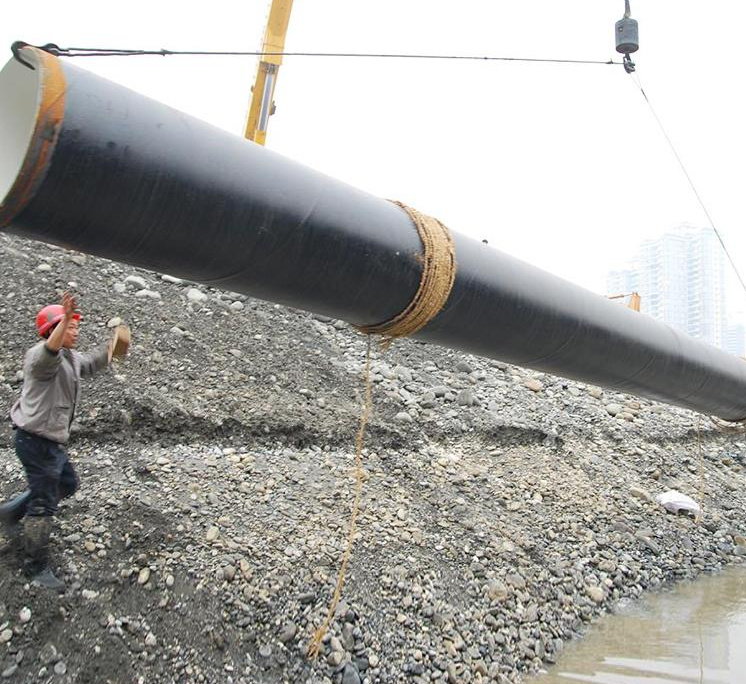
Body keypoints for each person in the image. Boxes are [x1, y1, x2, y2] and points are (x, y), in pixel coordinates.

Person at [0, 292, 129, 590]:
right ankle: (35, 568)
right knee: (44, 502)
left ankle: (10, 512)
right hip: (35, 441)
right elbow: (50, 350)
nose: (75, 330)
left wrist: (114, 349)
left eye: (75, 326)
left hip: (51, 442)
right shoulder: (40, 358)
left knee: (68, 484)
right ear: (52, 329)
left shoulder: (70, 358)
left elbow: (91, 363)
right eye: (71, 326)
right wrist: (65, 319)